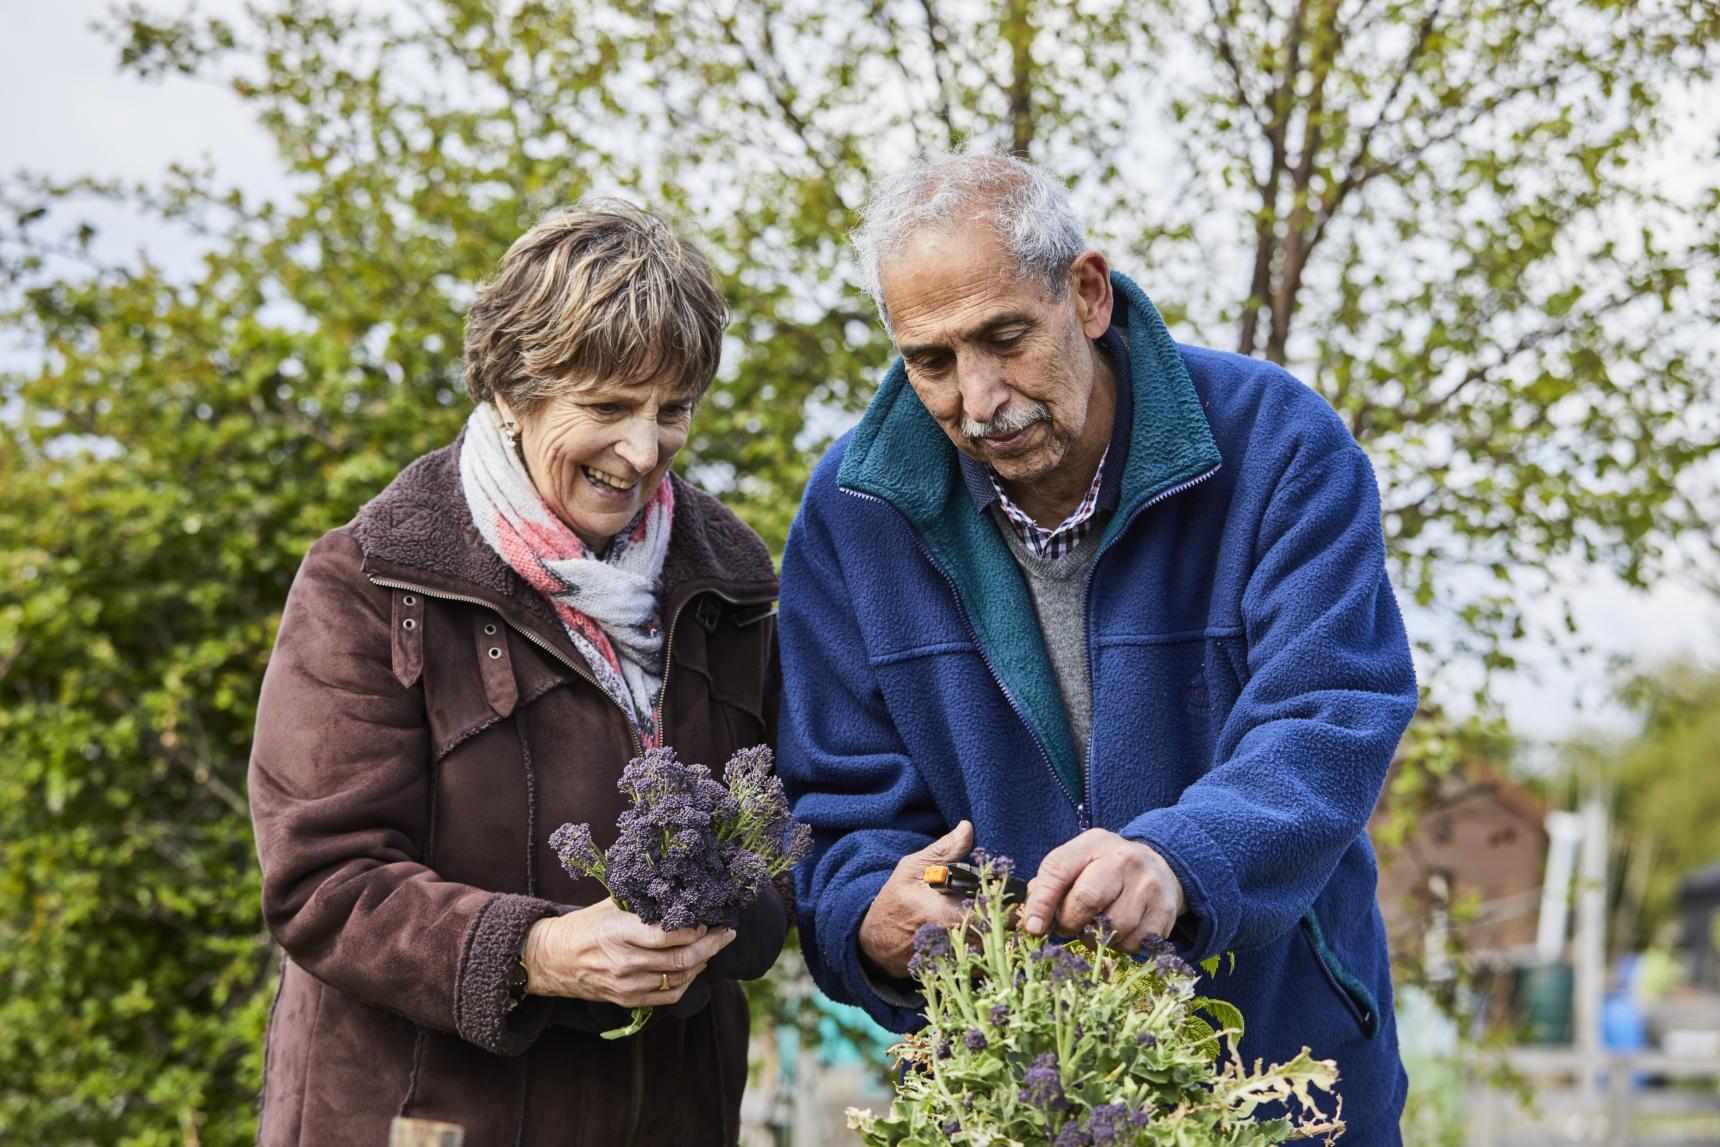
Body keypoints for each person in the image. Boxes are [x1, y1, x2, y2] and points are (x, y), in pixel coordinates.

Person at [777, 152, 1418, 1140]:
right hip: (1015, 1097)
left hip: (1283, 1080)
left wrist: (1175, 861)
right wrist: (867, 907)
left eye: (1003, 338)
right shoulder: (852, 510)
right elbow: (835, 794)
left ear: (1085, 292)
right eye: (932, 360)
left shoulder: (1279, 444)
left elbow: (1328, 716)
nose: (979, 400)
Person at [249, 201, 786, 1147]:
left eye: (674, 410)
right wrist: (538, 951)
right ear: (510, 390)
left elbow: (787, 836)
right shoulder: (369, 583)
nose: (644, 450)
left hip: (672, 1114)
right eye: (609, 407)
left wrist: (726, 920)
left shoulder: (733, 593)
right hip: (425, 1120)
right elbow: (322, 883)